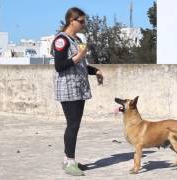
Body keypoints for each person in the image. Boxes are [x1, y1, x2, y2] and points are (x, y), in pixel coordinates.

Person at [51, 7, 103, 176]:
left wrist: (95, 71)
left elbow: (80, 65)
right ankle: (70, 161)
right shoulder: (61, 40)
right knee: (72, 125)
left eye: (84, 21)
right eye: (81, 21)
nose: (83, 24)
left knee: (75, 124)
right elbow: (60, 66)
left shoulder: (77, 39)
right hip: (68, 88)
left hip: (79, 88)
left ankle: (68, 160)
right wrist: (79, 55)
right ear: (71, 20)